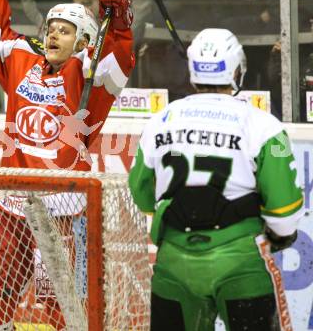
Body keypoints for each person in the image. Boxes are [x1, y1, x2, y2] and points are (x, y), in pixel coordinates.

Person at [0, 0, 133, 328]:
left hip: (64, 212)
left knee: (62, 306)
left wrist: (121, 21)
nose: (54, 35)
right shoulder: (23, 58)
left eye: (67, 30)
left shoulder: (89, 80)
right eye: (52, 28)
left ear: (84, 42)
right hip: (13, 203)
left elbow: (118, 61)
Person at [129, 28, 304, 330]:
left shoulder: (161, 119)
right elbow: (284, 212)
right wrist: (279, 232)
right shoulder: (261, 124)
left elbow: (141, 191)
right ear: (238, 69)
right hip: (239, 261)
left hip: (173, 263)